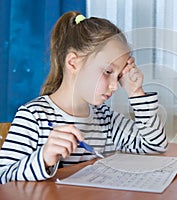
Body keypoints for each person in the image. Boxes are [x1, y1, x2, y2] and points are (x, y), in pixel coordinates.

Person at [0, 11, 167, 184]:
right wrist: (43, 158)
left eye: (118, 76)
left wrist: (136, 92)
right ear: (73, 63)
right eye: (108, 72)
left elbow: (154, 146)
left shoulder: (105, 118)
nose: (115, 86)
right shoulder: (34, 117)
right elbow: (3, 179)